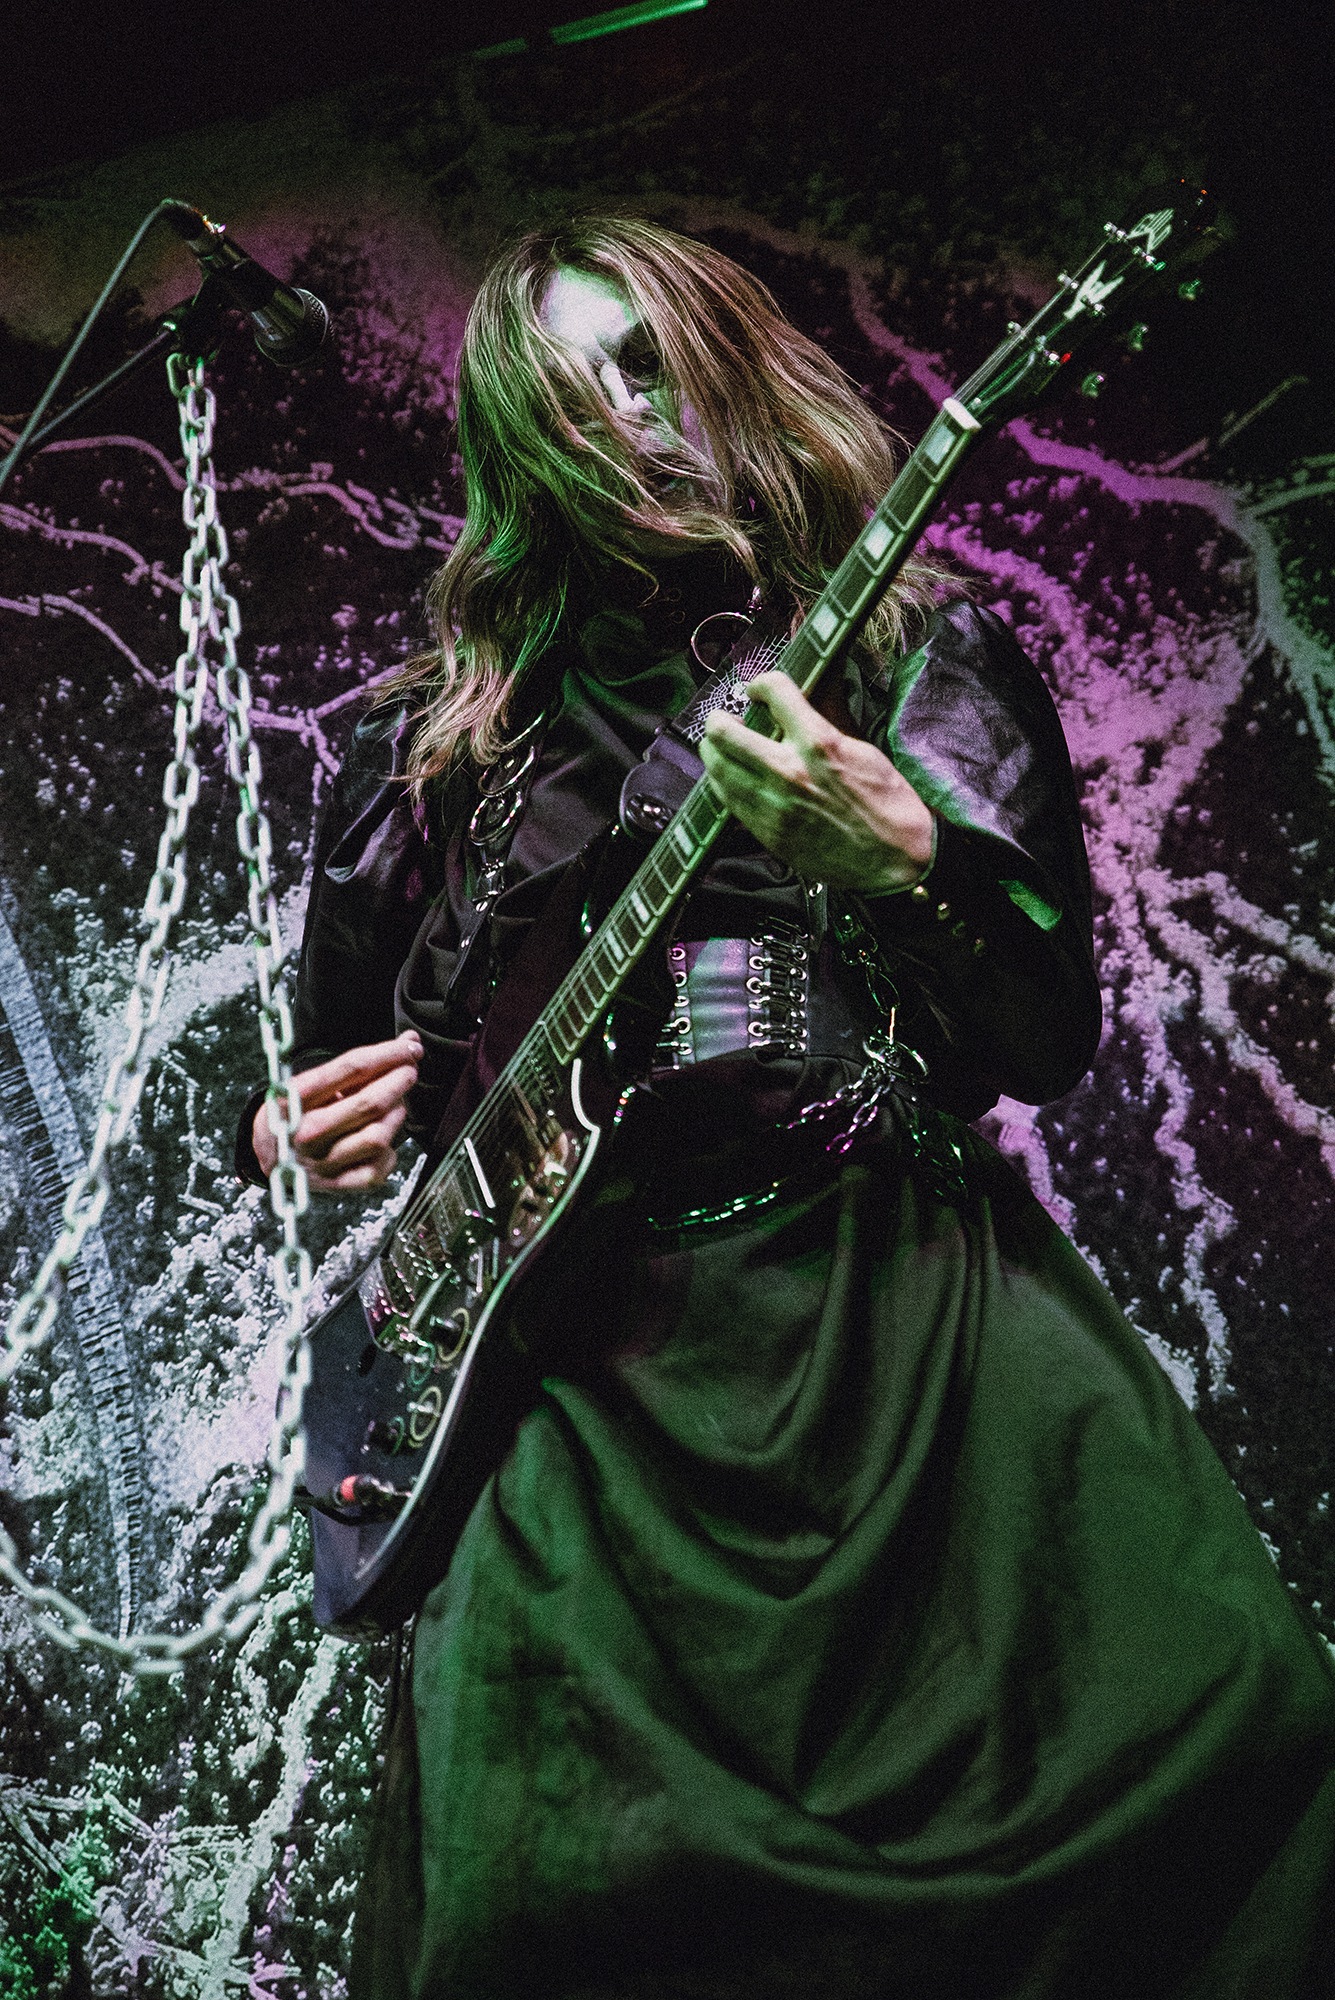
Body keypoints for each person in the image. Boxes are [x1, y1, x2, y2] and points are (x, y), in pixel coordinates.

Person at [237, 216, 1335, 1998]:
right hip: (571, 1397)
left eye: (646, 362)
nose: (623, 414)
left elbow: (1042, 1033)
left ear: (723, 359)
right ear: (516, 448)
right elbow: (323, 1082)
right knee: (538, 1915)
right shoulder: (427, 751)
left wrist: (912, 867)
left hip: (902, 1333)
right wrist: (288, 1139)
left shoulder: (910, 656)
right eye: (568, 393)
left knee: (1225, 1755)